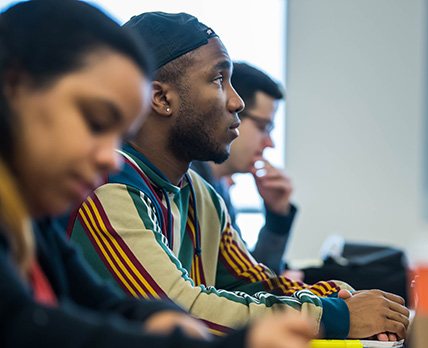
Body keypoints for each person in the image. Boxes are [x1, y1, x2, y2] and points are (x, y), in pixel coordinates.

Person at [64, 11, 410, 341]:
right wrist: (336, 316)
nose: (237, 102)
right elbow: (183, 311)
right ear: (160, 97)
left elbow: (254, 284)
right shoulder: (108, 186)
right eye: (218, 80)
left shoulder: (199, 193)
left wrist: (339, 295)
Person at [0, 1, 315, 347]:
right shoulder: (110, 190)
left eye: (119, 133)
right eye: (95, 122)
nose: (110, 157)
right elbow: (26, 326)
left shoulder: (32, 223)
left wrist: (157, 318)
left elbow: (102, 302)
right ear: (14, 87)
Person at [191, 62, 295, 275]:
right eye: (263, 127)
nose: (270, 143)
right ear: (229, 112)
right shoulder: (189, 182)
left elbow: (244, 276)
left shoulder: (219, 189)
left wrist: (277, 216)